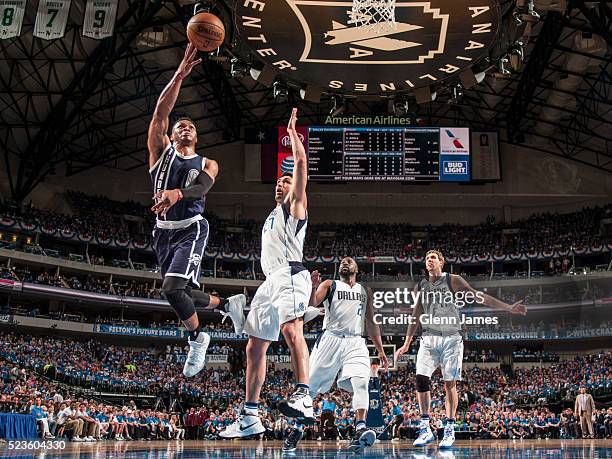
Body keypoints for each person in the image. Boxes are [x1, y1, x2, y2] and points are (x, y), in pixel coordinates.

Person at [147, 43, 245, 377]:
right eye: (180, 125)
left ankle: (198, 337)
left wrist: (176, 193)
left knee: (172, 290)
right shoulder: (160, 152)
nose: (185, 127)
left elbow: (202, 189)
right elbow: (161, 111)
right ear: (170, 134)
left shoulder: (208, 162)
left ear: (197, 136)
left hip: (191, 227)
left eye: (190, 126)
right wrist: (180, 74)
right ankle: (227, 305)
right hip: (162, 232)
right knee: (185, 292)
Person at [220, 108, 316, 438]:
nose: (281, 182)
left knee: (292, 331)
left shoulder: (295, 205)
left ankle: (304, 396)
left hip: (290, 274)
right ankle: (250, 415)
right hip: (270, 281)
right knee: (254, 346)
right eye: (278, 180)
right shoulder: (271, 216)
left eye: (285, 180)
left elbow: (301, 166)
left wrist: (292, 136)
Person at [395, 249, 527, 449]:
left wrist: (507, 307)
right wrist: (406, 343)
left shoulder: (453, 280)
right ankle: (425, 428)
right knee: (421, 380)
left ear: (441, 262)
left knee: (450, 384)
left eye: (433, 258)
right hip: (428, 337)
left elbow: (478, 297)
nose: (429, 260)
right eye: (426, 258)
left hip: (451, 338)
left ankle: (449, 429)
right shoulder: (421, 286)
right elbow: (415, 315)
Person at [283, 257, 389, 452]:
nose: (345, 262)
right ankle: (296, 429)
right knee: (310, 388)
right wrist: (312, 287)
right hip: (331, 339)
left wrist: (380, 350)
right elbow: (311, 303)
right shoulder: (329, 284)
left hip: (356, 341)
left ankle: (360, 428)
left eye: (349, 261)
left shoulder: (365, 291)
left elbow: (372, 323)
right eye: (342, 261)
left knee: (361, 382)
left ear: (357, 269)